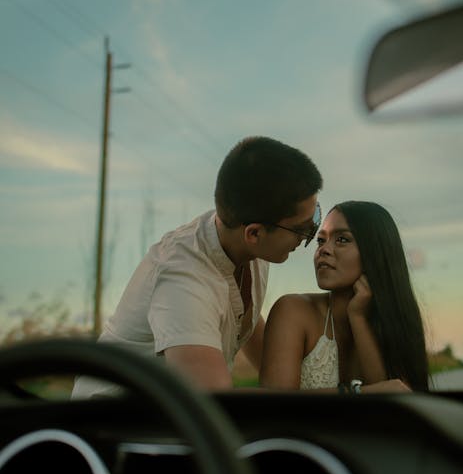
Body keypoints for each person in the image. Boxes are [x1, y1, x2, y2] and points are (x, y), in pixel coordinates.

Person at [72, 136, 323, 397]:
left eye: (315, 216)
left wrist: (292, 383)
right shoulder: (183, 280)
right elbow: (214, 399)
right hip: (117, 425)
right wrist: (308, 405)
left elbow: (243, 318)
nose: (310, 235)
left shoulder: (246, 242)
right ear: (254, 234)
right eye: (302, 228)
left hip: (172, 419)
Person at [259, 201, 429, 393]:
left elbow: (391, 402)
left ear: (374, 253)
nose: (324, 249)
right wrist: (357, 392)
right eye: (321, 240)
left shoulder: (395, 321)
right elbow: (277, 407)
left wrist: (357, 317)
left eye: (342, 240)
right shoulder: (293, 311)